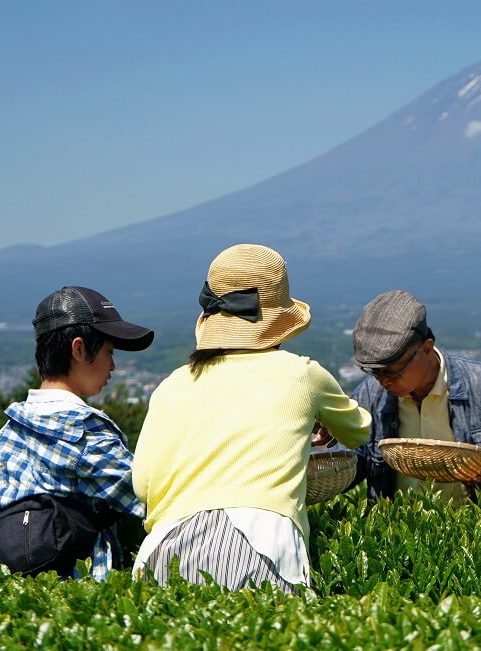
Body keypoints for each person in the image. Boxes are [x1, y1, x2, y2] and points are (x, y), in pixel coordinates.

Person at [132, 243, 372, 593]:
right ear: (278, 319)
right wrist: (315, 425)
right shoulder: (302, 374)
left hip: (163, 549)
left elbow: (142, 485)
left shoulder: (172, 385)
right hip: (259, 540)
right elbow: (360, 431)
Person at [0, 286, 153, 580]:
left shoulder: (10, 428)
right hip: (76, 586)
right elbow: (147, 499)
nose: (113, 366)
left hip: (8, 580)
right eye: (109, 352)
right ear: (78, 349)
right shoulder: (85, 430)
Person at [350, 290, 481, 502]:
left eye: (392, 371)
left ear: (426, 349)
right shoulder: (369, 394)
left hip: (476, 528)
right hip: (397, 529)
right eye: (374, 371)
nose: (382, 381)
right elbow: (354, 464)